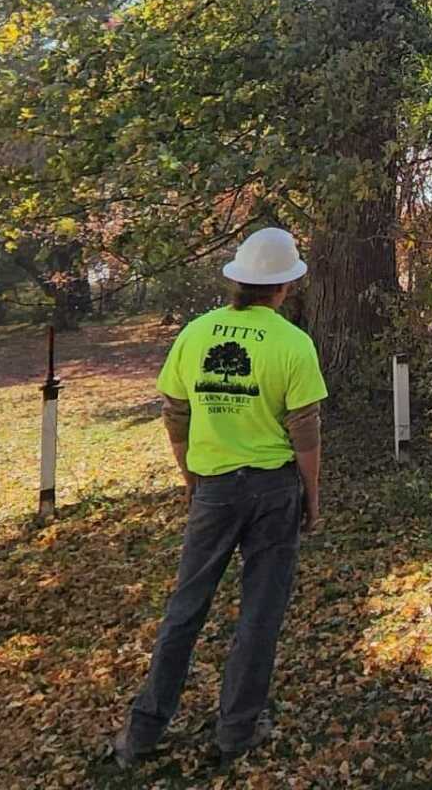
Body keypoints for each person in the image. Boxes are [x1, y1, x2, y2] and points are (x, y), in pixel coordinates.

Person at [111, 227, 327, 766]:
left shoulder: (196, 333)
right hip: (275, 489)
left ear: (237, 282)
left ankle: (142, 733)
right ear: (284, 288)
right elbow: (305, 431)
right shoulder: (293, 344)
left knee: (186, 608)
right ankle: (236, 730)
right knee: (260, 610)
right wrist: (312, 497)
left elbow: (175, 413)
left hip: (213, 490)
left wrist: (191, 478)